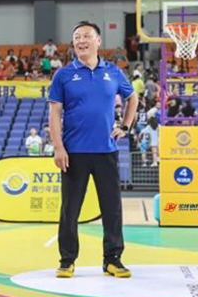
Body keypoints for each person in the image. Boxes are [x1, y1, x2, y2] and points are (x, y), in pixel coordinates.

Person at [49, 21, 138, 279]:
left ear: (98, 41)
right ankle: (67, 260)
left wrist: (125, 126)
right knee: (70, 210)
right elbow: (54, 113)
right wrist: (58, 147)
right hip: (74, 153)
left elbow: (132, 98)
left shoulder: (113, 72)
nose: (81, 41)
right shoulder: (63, 75)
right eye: (77, 37)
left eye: (87, 36)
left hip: (106, 151)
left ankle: (113, 259)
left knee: (112, 208)